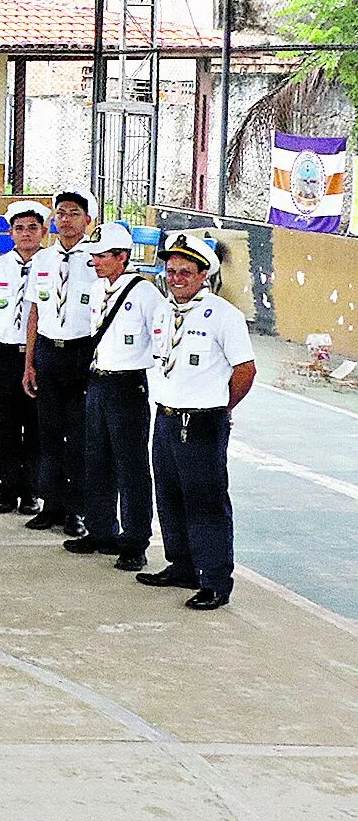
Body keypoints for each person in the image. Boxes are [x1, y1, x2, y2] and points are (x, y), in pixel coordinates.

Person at [138, 232, 253, 610]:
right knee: (169, 496)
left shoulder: (224, 316)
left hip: (203, 421)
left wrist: (223, 407)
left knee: (205, 502)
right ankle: (183, 565)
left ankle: (215, 580)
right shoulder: (162, 311)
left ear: (205, 274)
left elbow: (245, 370)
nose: (176, 278)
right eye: (171, 271)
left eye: (186, 272)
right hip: (166, 416)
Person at [66, 223, 164, 570]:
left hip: (128, 385)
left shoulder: (145, 294)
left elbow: (163, 343)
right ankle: (101, 530)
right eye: (93, 255)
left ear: (122, 257)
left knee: (131, 466)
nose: (95, 261)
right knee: (96, 460)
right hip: (98, 382)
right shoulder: (96, 290)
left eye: (102, 255)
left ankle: (135, 541)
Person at [24, 189, 99, 537]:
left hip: (81, 353)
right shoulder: (42, 260)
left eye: (73, 212)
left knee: (79, 435)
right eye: (60, 212)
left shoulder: (96, 259)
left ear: (87, 219)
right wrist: (29, 362)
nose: (65, 219)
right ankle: (51, 504)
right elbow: (34, 312)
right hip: (48, 353)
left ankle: (76, 510)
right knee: (48, 433)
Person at [0, 200, 50, 515]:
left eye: (32, 228)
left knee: (34, 425)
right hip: (3, 353)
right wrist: (5, 335)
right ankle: (7, 489)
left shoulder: (51, 265)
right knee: (3, 424)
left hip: (39, 355)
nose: (25, 234)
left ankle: (32, 490)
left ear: (43, 232)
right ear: (10, 232)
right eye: (19, 228)